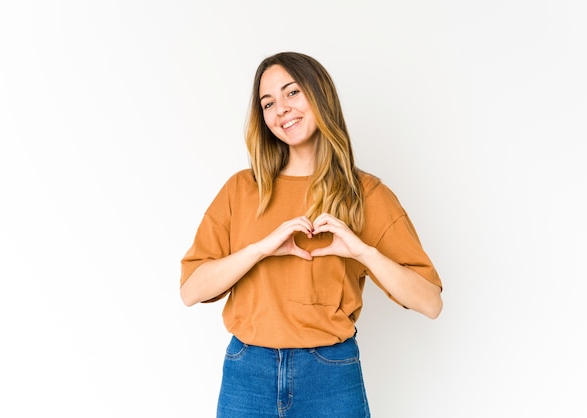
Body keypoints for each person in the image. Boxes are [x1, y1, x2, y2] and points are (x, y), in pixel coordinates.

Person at [180, 51, 443, 417]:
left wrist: (362, 251)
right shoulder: (241, 190)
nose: (281, 109)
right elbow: (191, 290)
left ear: (320, 95)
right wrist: (260, 249)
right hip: (247, 373)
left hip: (330, 376)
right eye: (268, 103)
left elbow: (430, 302)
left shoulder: (365, 194)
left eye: (292, 93)